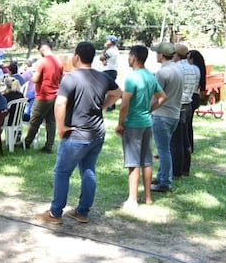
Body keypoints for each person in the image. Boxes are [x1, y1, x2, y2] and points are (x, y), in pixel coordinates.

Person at [34, 41, 121, 224]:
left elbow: (60, 103)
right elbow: (117, 93)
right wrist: (102, 107)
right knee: (88, 171)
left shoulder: (71, 78)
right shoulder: (102, 77)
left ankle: (55, 213)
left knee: (62, 172)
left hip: (76, 134)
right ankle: (82, 212)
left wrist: (60, 127)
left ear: (77, 56)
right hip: (97, 133)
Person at [115, 45, 166, 209]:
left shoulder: (132, 78)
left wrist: (120, 123)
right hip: (147, 122)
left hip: (133, 124)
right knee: (147, 161)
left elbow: (124, 104)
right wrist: (150, 109)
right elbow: (162, 97)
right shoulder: (150, 76)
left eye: (129, 55)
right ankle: (148, 197)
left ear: (134, 57)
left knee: (133, 162)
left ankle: (133, 199)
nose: (128, 59)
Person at [149, 41, 183, 193]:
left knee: (163, 150)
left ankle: (165, 182)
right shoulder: (178, 69)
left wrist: (148, 109)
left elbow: (156, 96)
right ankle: (162, 176)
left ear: (161, 55)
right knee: (166, 148)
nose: (156, 55)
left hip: (162, 115)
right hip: (175, 114)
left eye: (157, 53)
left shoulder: (163, 73)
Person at [19, 40, 63, 154]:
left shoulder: (42, 62)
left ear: (42, 49)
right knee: (51, 121)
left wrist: (32, 73)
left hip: (43, 95)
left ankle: (27, 142)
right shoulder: (59, 62)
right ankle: (49, 145)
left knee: (35, 120)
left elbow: (35, 79)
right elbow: (61, 78)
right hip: (55, 94)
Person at [171, 43, 200, 179]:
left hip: (178, 106)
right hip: (188, 104)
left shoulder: (176, 68)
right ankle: (185, 169)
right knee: (186, 139)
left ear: (175, 55)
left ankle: (176, 171)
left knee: (176, 141)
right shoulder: (194, 69)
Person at [187, 50, 207, 154]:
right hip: (196, 97)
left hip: (192, 96)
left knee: (187, 124)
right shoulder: (200, 70)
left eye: (188, 58)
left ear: (192, 59)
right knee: (189, 123)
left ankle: (188, 146)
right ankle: (189, 146)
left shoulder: (193, 69)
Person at [100, 35, 119, 111]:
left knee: (108, 89)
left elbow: (101, 57)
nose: (106, 41)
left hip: (109, 71)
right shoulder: (113, 49)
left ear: (111, 42)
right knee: (110, 88)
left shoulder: (111, 51)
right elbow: (104, 60)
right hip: (111, 70)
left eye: (108, 40)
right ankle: (111, 106)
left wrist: (104, 48)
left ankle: (110, 106)